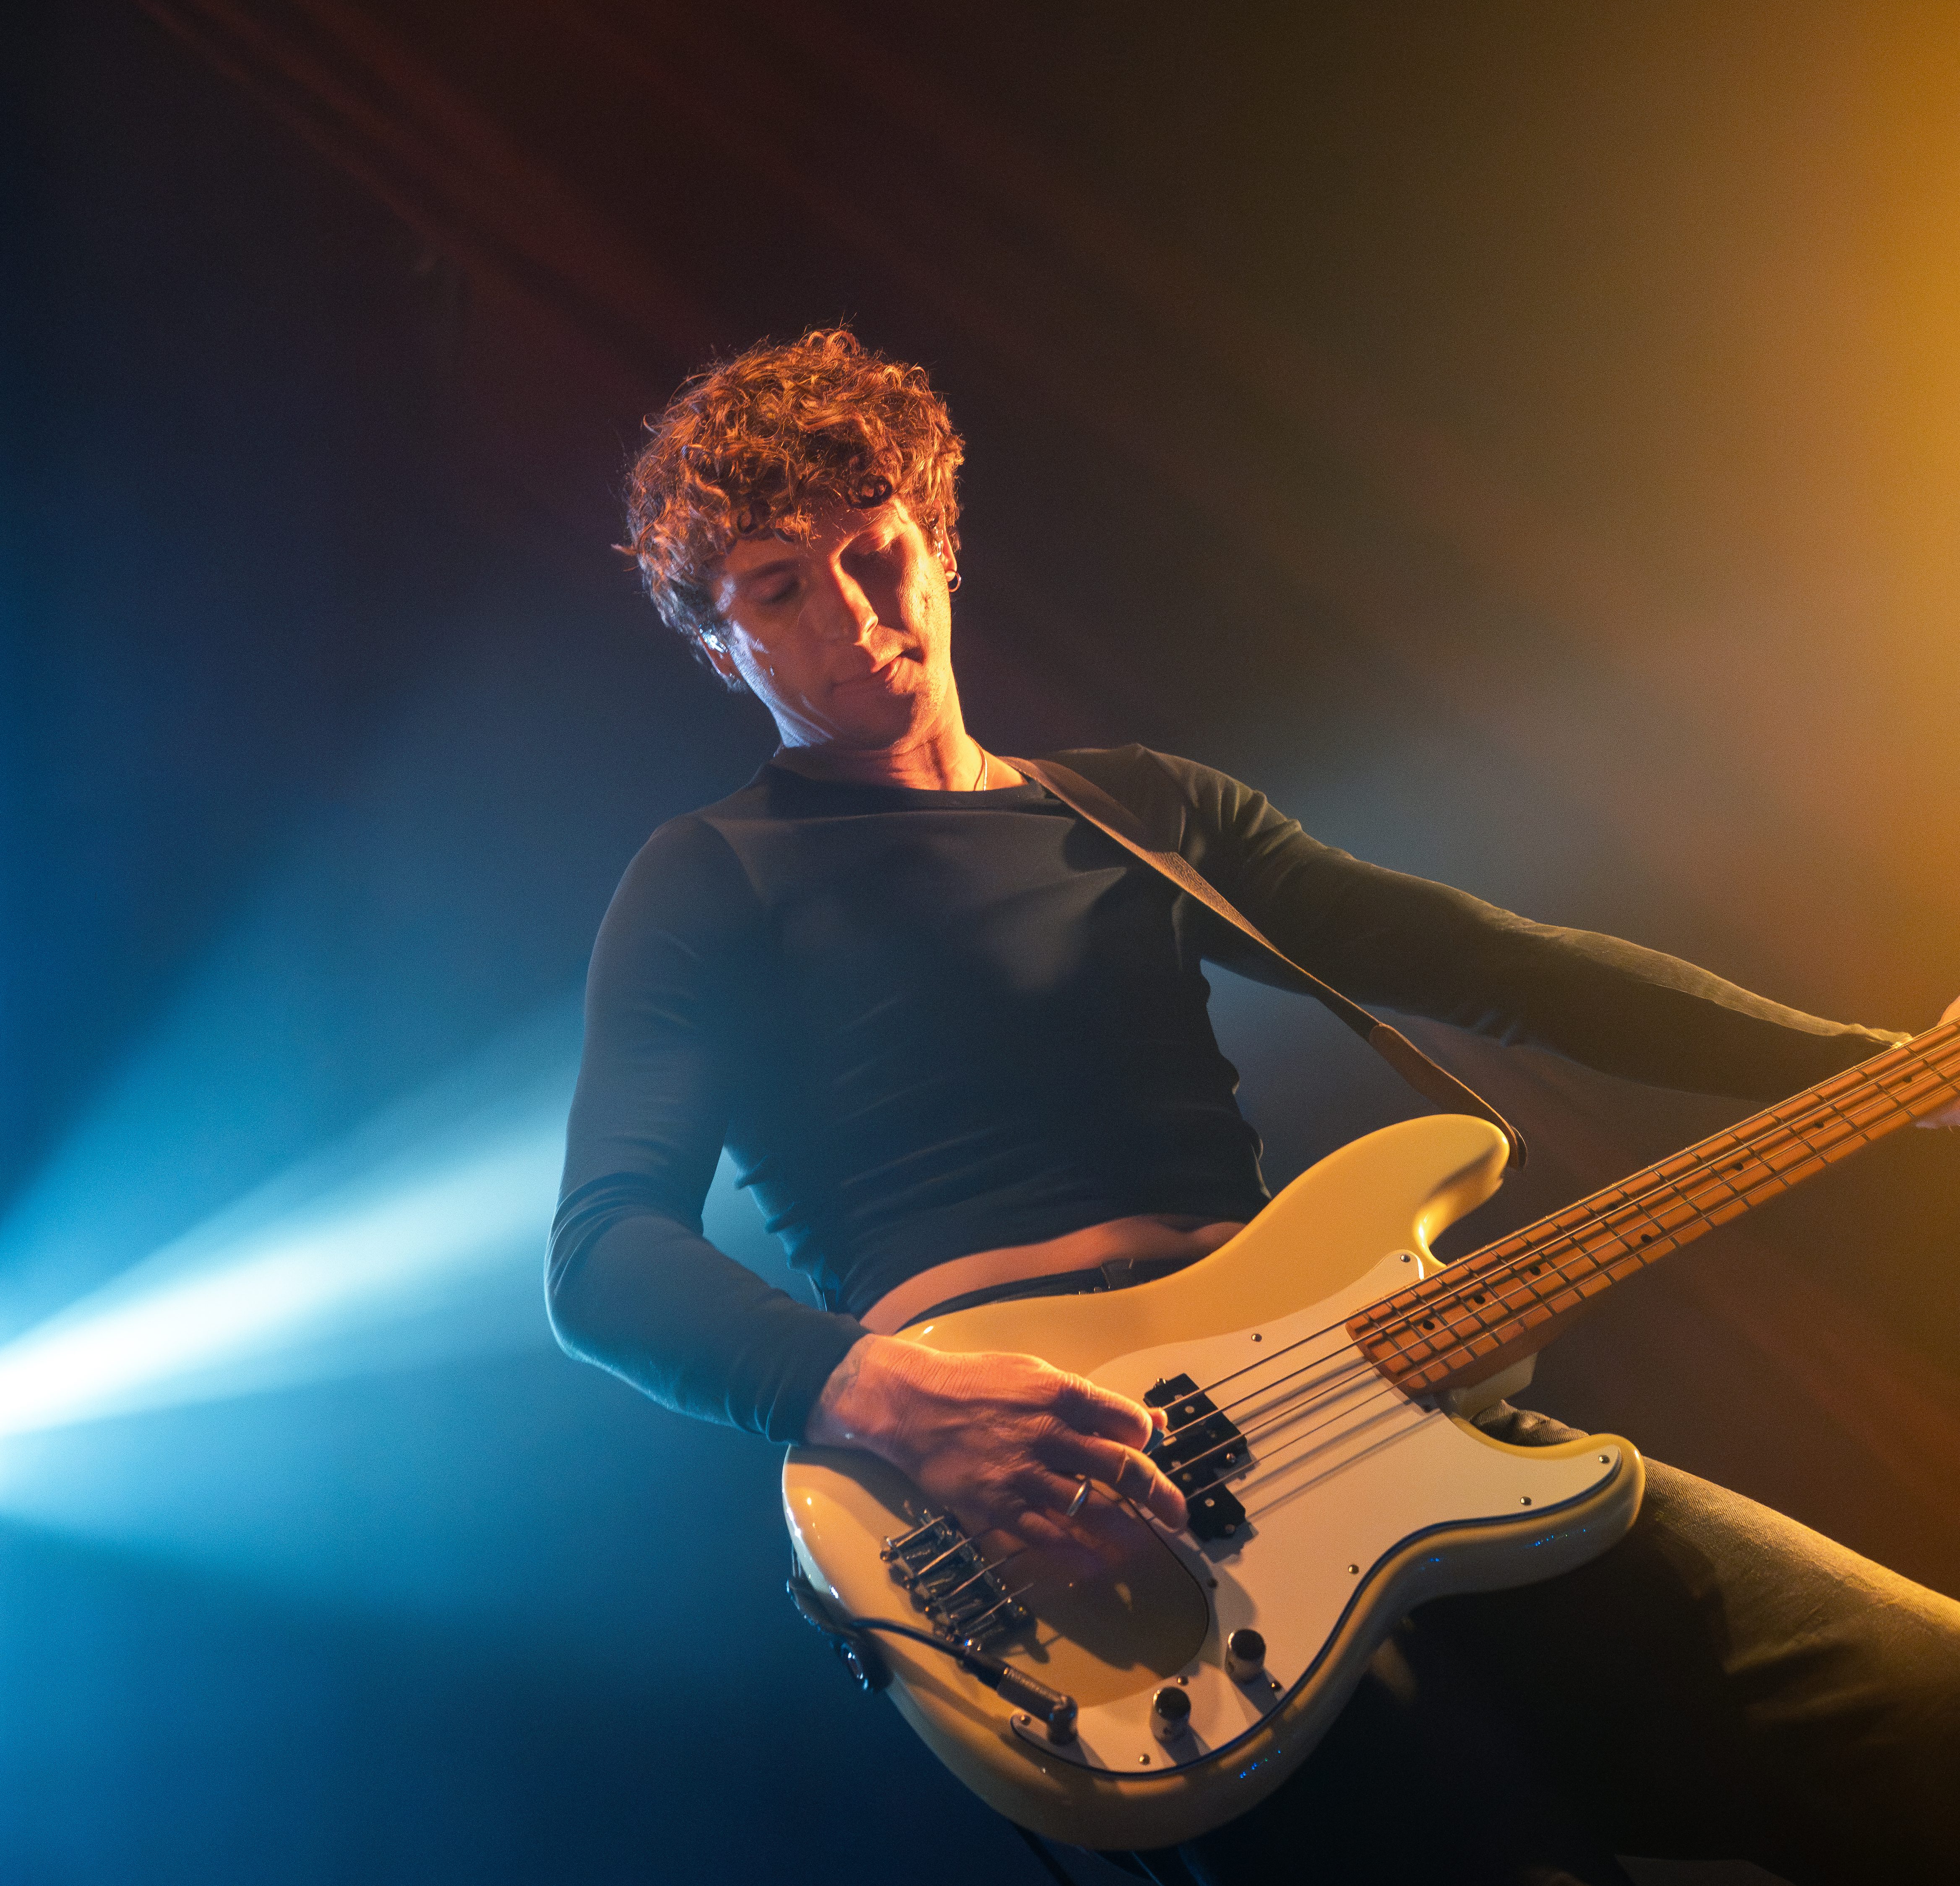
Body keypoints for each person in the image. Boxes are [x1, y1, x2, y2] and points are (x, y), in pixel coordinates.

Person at [547, 329, 1960, 1886]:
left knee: (1920, 1704)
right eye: (775, 588)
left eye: (873, 550)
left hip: (1371, 1390)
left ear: (938, 539)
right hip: (1080, 1511)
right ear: (719, 644)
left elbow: (1492, 965)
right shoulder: (709, 876)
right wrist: (877, 1398)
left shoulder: (1142, 812)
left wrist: (1879, 1065)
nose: (849, 615)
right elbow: (604, 1254)